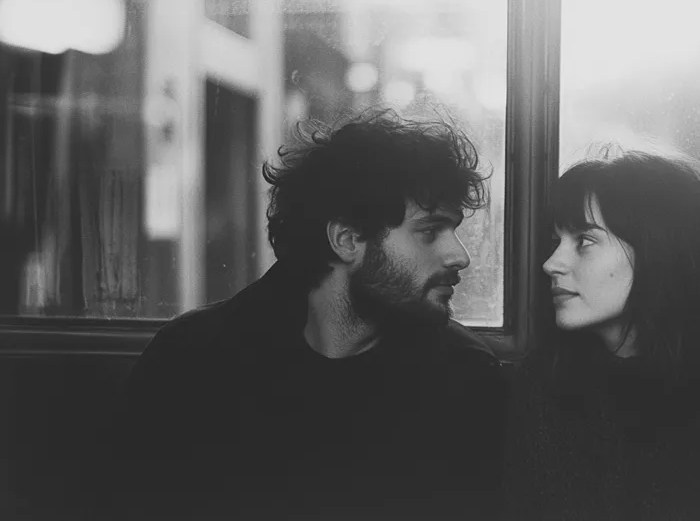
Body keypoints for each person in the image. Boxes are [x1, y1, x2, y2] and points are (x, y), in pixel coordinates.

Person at [112, 109, 506, 520]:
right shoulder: (192, 361)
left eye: (455, 231)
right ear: (348, 240)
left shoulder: (463, 377)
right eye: (429, 231)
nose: (458, 256)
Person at [503, 150, 700, 520]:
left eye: (584, 242)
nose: (551, 263)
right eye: (556, 241)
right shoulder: (543, 380)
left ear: (658, 250)